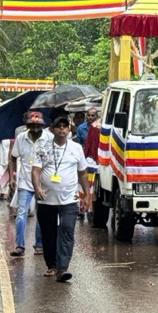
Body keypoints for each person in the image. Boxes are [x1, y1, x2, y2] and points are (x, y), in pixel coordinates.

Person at [29, 115, 90, 283]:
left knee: (67, 229)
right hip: (46, 198)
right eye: (58, 126)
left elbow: (82, 173)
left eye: (65, 126)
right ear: (52, 129)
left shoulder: (76, 148)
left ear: (69, 129)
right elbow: (35, 171)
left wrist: (87, 194)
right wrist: (37, 188)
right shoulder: (43, 147)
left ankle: (62, 268)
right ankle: (52, 265)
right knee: (48, 233)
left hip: (69, 199)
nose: (62, 129)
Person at [9, 112, 46, 258]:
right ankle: (19, 245)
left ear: (42, 125)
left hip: (42, 182)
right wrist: (12, 177)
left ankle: (39, 244)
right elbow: (13, 157)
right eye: (32, 125)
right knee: (21, 214)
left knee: (41, 214)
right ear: (27, 125)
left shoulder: (48, 138)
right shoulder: (21, 138)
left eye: (38, 125)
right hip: (24, 180)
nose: (35, 128)